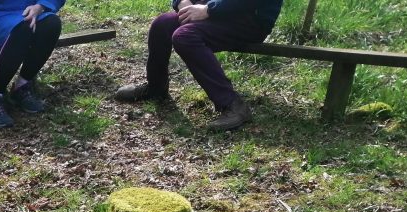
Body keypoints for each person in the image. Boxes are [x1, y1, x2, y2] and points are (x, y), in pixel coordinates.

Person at [113, 0, 283, 131]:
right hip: (211, 9)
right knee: (162, 24)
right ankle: (156, 88)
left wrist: (209, 10)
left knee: (185, 36)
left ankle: (232, 104)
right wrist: (182, 2)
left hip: (249, 18)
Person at [0, 0, 63, 128]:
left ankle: (22, 86)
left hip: (31, 12)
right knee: (21, 28)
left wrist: (40, 6)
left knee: (52, 23)